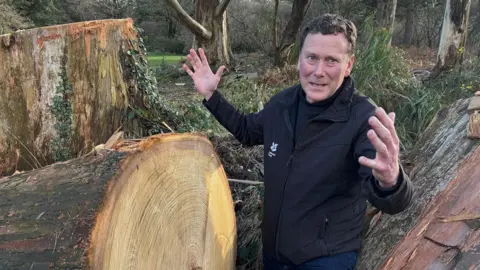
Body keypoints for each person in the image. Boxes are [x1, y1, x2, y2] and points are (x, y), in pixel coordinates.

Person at [183, 14, 414, 270]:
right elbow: (247, 131)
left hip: (325, 259)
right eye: (312, 58)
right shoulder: (283, 104)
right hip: (275, 255)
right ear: (299, 59)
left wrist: (391, 181)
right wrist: (211, 96)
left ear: (349, 65)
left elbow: (393, 202)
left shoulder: (363, 118)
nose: (318, 71)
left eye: (331, 61)